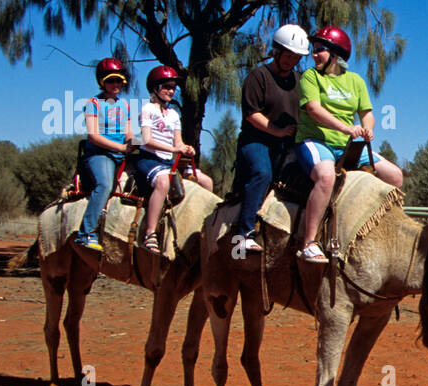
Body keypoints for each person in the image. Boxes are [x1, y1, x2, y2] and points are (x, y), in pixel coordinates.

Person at [295, 25, 403, 263]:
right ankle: (309, 242)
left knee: (395, 176)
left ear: (336, 54)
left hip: (348, 147)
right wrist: (345, 128)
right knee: (325, 177)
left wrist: (368, 129)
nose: (314, 55)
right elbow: (313, 109)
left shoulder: (355, 81)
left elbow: (367, 113)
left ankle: (384, 235)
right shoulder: (310, 77)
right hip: (315, 141)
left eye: (319, 49)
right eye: (313, 50)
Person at [228, 24, 311, 253]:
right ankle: (244, 232)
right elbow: (252, 114)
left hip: (287, 142)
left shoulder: (300, 81)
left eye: (296, 57)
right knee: (263, 173)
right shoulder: (258, 76)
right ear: (276, 50)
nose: (291, 60)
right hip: (257, 140)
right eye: (287, 55)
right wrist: (276, 130)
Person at [134, 66, 214, 252]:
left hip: (170, 161)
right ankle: (150, 233)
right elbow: (146, 140)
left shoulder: (173, 115)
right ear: (155, 88)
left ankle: (205, 227)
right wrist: (173, 148)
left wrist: (186, 148)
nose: (171, 90)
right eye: (166, 86)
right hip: (150, 159)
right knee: (163, 182)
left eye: (173, 87)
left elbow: (178, 141)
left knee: (206, 181)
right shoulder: (147, 109)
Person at [74, 57, 134, 252]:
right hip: (100, 154)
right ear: (102, 82)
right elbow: (93, 136)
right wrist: (122, 148)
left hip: (121, 154)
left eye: (118, 80)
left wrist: (136, 143)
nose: (115, 84)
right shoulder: (94, 104)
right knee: (105, 184)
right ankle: (86, 233)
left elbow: (128, 133)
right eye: (110, 80)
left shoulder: (124, 105)